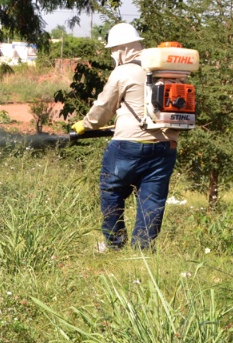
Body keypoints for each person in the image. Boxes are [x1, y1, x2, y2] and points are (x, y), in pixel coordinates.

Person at [71, 23, 180, 251]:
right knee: (152, 201)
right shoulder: (169, 70)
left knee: (111, 191)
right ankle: (143, 251)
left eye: (113, 50)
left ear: (121, 49)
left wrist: (85, 125)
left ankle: (114, 245)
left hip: (127, 146)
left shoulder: (123, 72)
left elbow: (102, 110)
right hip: (165, 146)